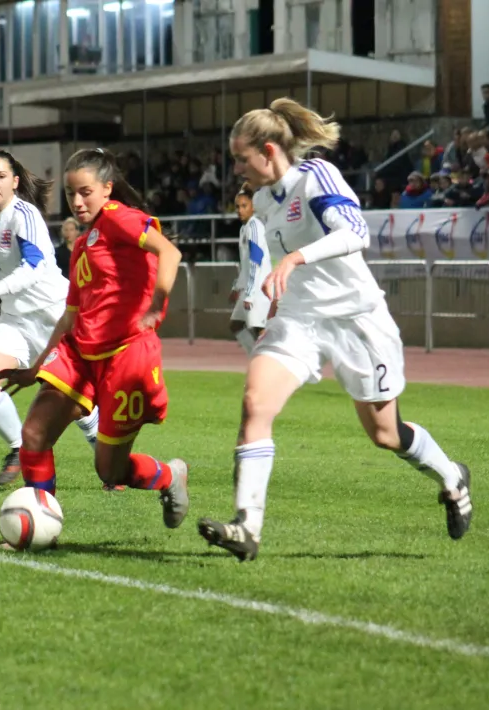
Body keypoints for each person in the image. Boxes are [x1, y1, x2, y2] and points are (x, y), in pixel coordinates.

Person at [197, 99, 472, 562]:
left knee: (385, 434)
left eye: (241, 158)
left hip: (354, 319)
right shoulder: (262, 201)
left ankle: (452, 478)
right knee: (255, 404)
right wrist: (269, 295)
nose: (236, 169)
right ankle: (247, 526)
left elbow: (356, 233)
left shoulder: (315, 177)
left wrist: (295, 258)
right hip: (298, 321)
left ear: (268, 151)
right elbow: (278, 261)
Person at [0, 148, 189, 534]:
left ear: (107, 189)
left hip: (127, 354)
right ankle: (43, 528)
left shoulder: (117, 217)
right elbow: (70, 317)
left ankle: (170, 476)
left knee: (110, 470)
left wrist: (157, 301)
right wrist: (36, 368)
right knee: (34, 434)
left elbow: (169, 252)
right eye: (71, 194)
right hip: (81, 353)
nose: (78, 201)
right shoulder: (83, 246)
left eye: (86, 192)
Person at [0, 149, 100, 486]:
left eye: (0, 176)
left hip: (54, 316)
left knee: (77, 403)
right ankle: (18, 448)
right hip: (15, 320)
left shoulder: (25, 215)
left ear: (15, 182)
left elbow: (33, 269)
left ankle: (112, 462)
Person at [229, 183, 271, 354]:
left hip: (257, 289)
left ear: (253, 207)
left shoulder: (254, 226)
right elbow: (246, 263)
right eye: (237, 206)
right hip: (248, 288)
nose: (239, 210)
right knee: (236, 325)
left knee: (260, 330)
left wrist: (251, 294)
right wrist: (236, 287)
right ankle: (257, 359)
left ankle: (265, 363)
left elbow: (255, 261)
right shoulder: (244, 228)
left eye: (244, 206)